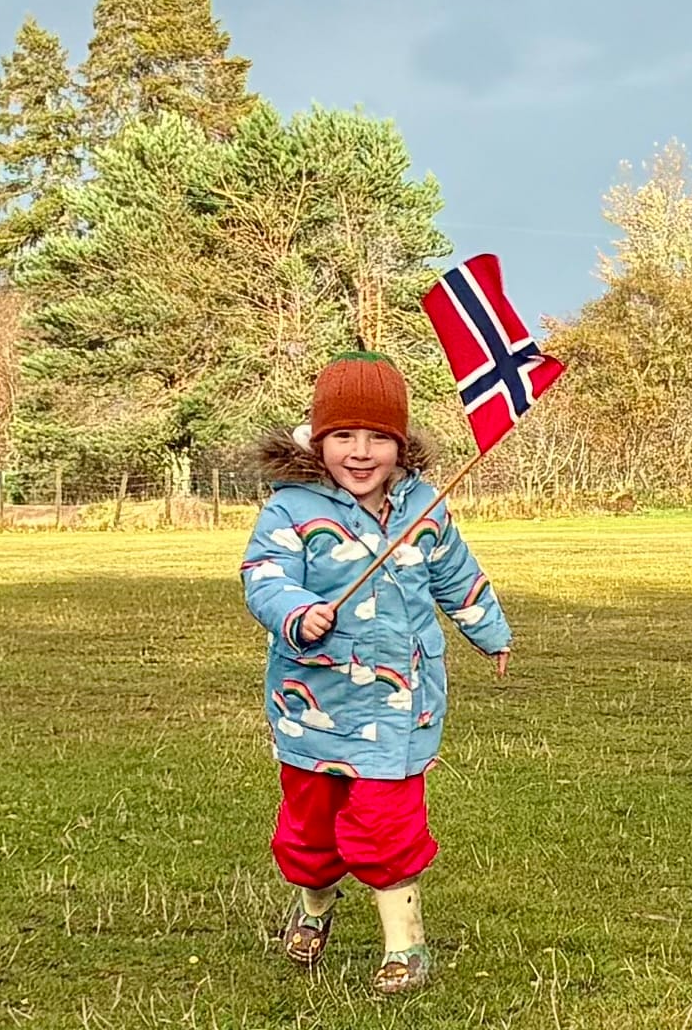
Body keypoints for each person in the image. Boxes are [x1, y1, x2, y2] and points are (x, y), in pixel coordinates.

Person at [240, 351, 512, 994]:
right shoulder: (291, 509)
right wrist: (297, 612)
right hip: (314, 707)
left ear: (401, 443)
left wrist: (490, 630)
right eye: (344, 435)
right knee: (309, 832)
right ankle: (314, 906)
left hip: (399, 708)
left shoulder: (425, 507)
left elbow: (456, 574)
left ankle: (404, 943)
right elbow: (264, 576)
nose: (361, 453)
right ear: (318, 439)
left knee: (387, 827)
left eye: (378, 438)